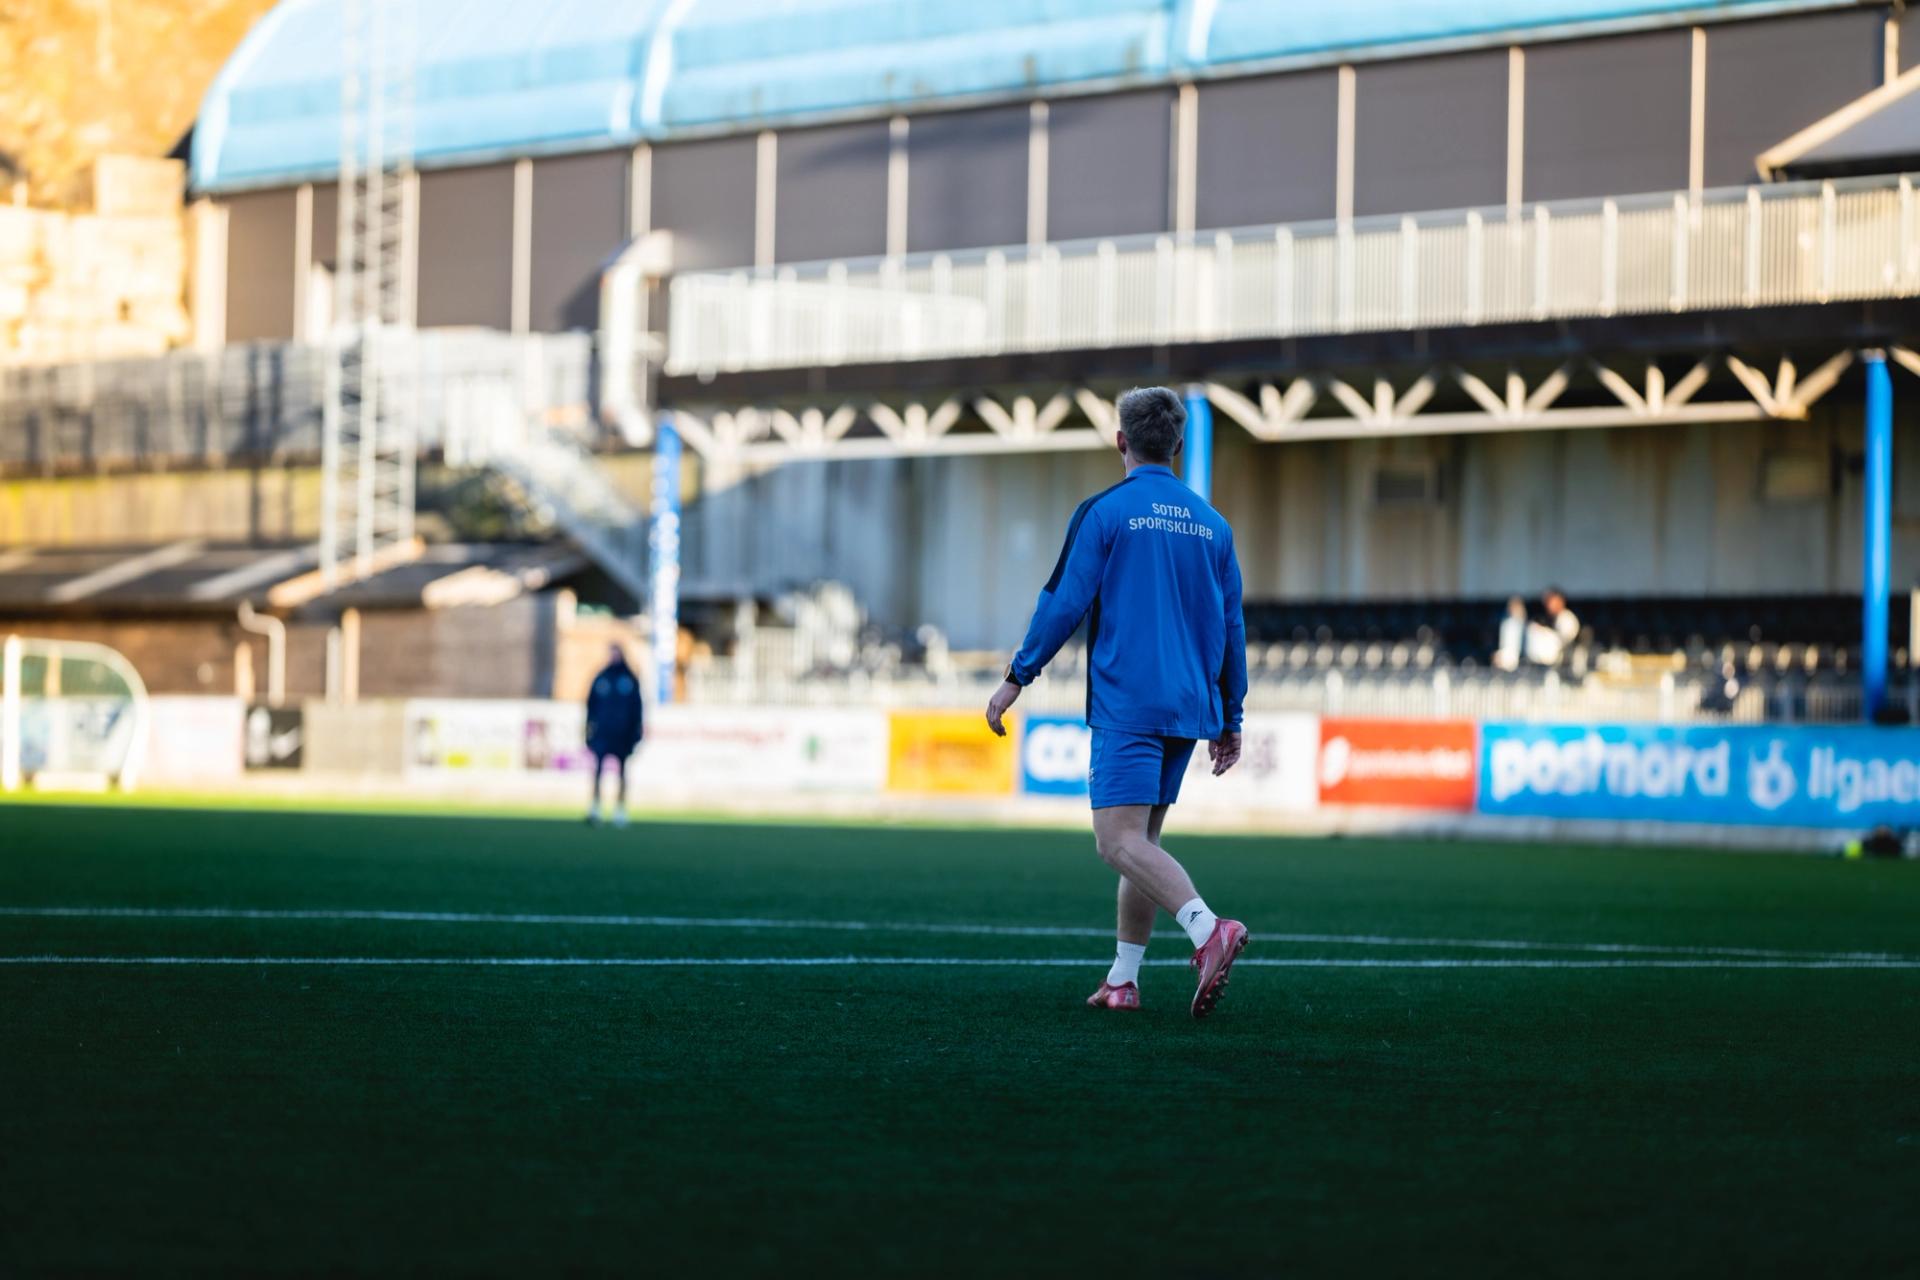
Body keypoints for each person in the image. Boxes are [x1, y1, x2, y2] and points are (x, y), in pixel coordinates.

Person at [984, 386, 1250, 1020]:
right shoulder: (1213, 525)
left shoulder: (1105, 511)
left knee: (1115, 842)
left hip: (1130, 698)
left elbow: (1062, 603)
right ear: (1178, 447)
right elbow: (1233, 624)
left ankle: (1208, 929)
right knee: (1144, 841)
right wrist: (1230, 714)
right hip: (1188, 704)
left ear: (1121, 441)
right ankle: (1123, 980)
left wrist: (1018, 676)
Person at [585, 644, 645, 827]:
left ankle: (620, 810)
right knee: (598, 771)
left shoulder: (629, 679)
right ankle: (595, 808)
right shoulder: (601, 678)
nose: (613, 657)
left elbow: (638, 708)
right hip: (603, 733)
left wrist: (636, 732)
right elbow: (591, 707)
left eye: (616, 653)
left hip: (623, 735)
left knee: (622, 772)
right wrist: (588, 730)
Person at [1526, 586, 1581, 666]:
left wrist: (1545, 631)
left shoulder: (1567, 618)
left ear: (1560, 601)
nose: (1548, 605)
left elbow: (1564, 641)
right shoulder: (1552, 618)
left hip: (1568, 660)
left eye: (1550, 601)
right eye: (1546, 602)